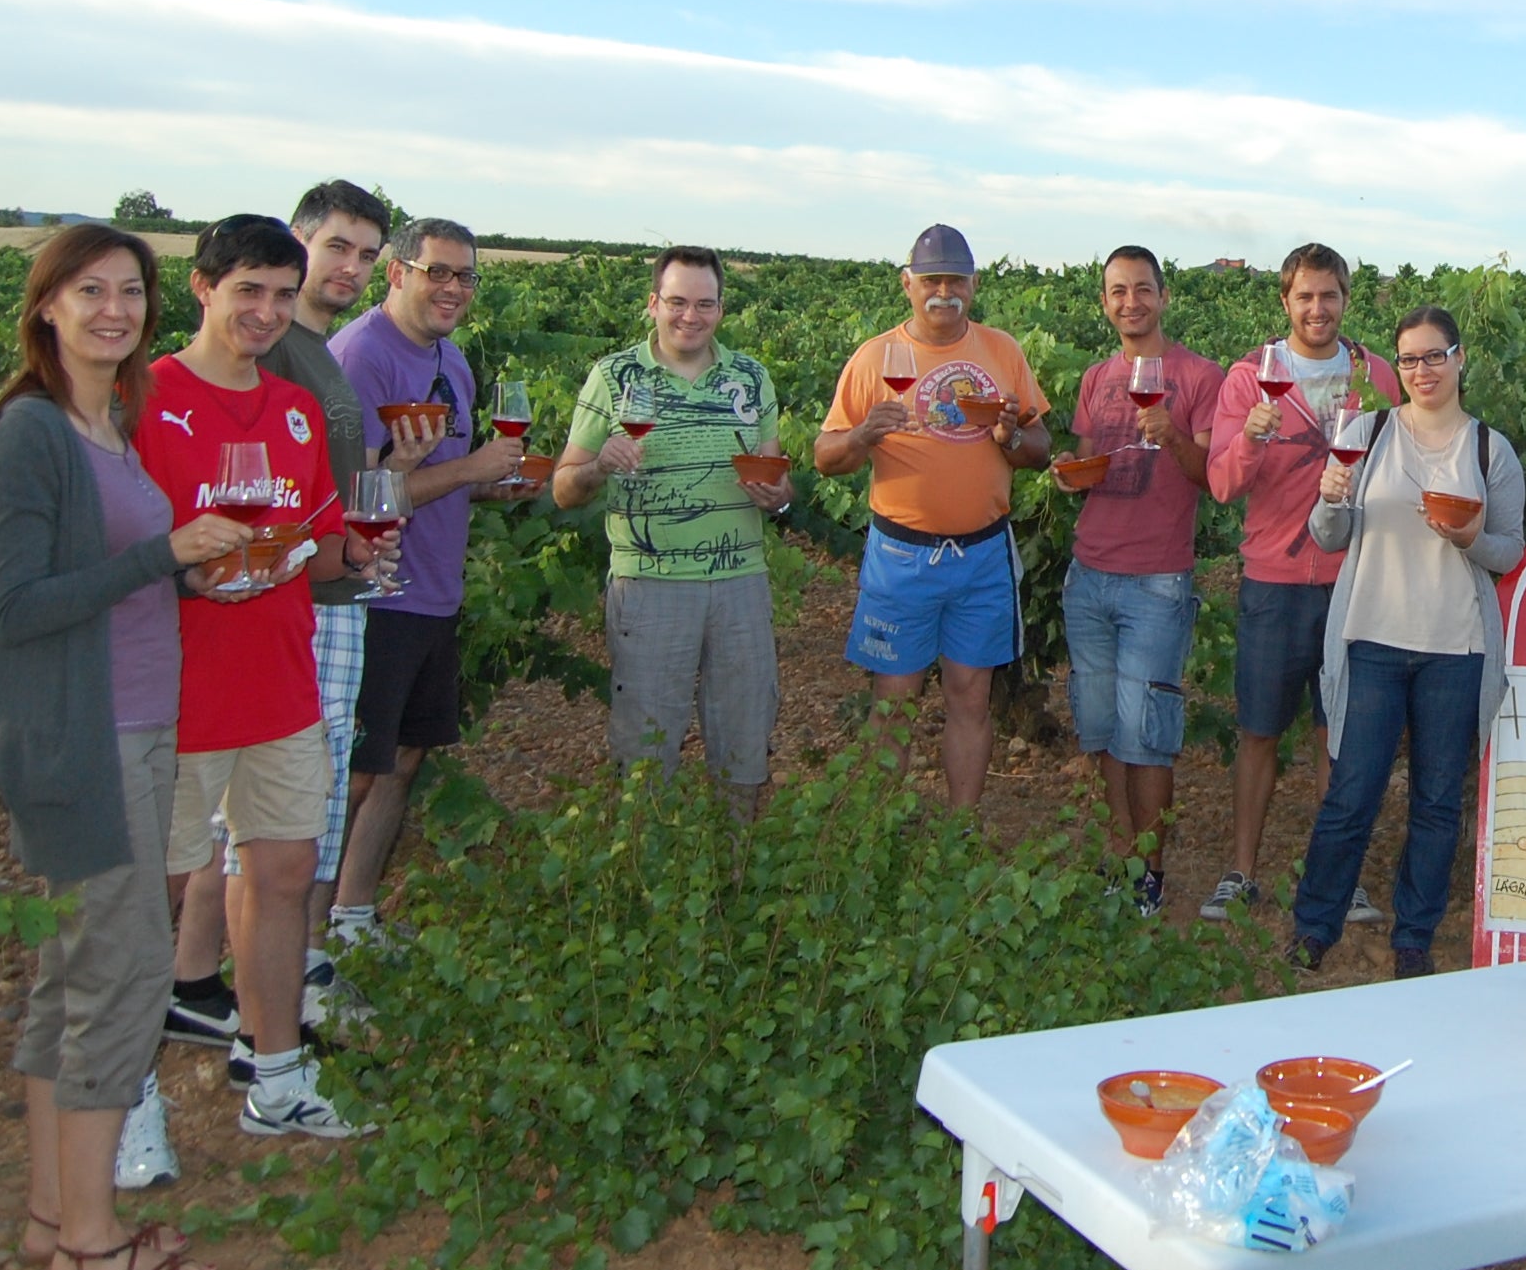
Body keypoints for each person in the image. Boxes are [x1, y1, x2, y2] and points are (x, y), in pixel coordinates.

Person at [0, 226, 242, 1270]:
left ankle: (53, 1218)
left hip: (131, 724)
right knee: (125, 972)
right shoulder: (34, 433)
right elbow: (16, 606)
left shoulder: (106, 424)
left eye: (129, 291)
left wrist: (183, 574)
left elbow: (109, 577)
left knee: (71, 974)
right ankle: (91, 1245)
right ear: (46, 305)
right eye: (89, 290)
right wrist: (159, 554)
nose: (114, 310)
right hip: (84, 738)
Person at [133, 215, 383, 1140]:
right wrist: (180, 568)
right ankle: (123, 1096)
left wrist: (358, 550)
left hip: (281, 683)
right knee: (151, 892)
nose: (269, 311)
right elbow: (113, 555)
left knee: (280, 874)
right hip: (177, 690)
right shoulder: (144, 400)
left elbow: (316, 544)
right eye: (249, 291)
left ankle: (275, 1076)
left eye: (282, 294)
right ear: (202, 288)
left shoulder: (294, 410)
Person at [1288, 307, 1526, 977]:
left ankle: (1414, 937)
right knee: (1352, 792)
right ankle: (1315, 924)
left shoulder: (1489, 450)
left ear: (1460, 358)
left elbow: (1509, 551)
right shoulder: (1367, 435)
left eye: (1435, 356)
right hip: (1373, 639)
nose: (1423, 370)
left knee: (1436, 801)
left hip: (1457, 648)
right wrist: (1330, 497)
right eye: (1410, 359)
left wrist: (1469, 539)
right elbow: (1328, 535)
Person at [326, 217, 524, 942]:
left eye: (465, 275)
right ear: (397, 273)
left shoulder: (452, 359)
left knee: (401, 761)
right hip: (376, 592)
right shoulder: (360, 357)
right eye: (437, 271)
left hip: (432, 592)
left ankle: (352, 917)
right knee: (355, 774)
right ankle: (305, 946)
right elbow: (356, 499)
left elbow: (436, 479)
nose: (453, 288)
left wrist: (491, 484)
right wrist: (471, 467)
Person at [814, 224, 1052, 808]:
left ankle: (960, 832)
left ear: (974, 285)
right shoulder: (875, 358)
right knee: (894, 702)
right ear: (908, 285)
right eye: (931, 281)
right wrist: (863, 436)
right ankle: (879, 836)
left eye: (955, 281)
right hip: (901, 556)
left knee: (970, 697)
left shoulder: (1003, 351)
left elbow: (1040, 448)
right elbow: (825, 457)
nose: (944, 292)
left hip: (983, 556)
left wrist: (1010, 437)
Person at [1198, 244, 1399, 922]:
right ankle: (1240, 872)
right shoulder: (1251, 377)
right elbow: (1222, 484)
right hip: (1275, 579)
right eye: (1305, 296)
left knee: (1338, 735)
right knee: (1258, 730)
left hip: (1354, 580)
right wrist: (1251, 438)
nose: (1318, 309)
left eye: (1329, 295)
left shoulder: (1374, 375)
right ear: (1284, 301)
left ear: (1346, 299)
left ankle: (1340, 879)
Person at [556, 246, 793, 810]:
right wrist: (599, 466)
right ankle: (643, 855)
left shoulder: (751, 377)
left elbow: (779, 480)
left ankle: (732, 857)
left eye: (705, 304)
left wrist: (778, 498)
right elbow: (564, 488)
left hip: (740, 582)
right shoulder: (613, 376)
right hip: (649, 585)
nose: (691, 315)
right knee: (645, 749)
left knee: (744, 743)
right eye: (677, 302)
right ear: (653, 304)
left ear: (721, 308)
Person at [1053, 245, 1223, 914]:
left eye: (1143, 289)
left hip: (1157, 582)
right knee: (1101, 732)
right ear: (1105, 303)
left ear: (1163, 296)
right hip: (1088, 576)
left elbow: (1212, 477)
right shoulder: (1096, 377)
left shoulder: (1200, 377)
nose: (1132, 302)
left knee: (1146, 734)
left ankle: (1151, 873)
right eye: (1119, 291)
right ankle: (1119, 859)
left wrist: (1172, 436)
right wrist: (1070, 472)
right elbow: (1090, 461)